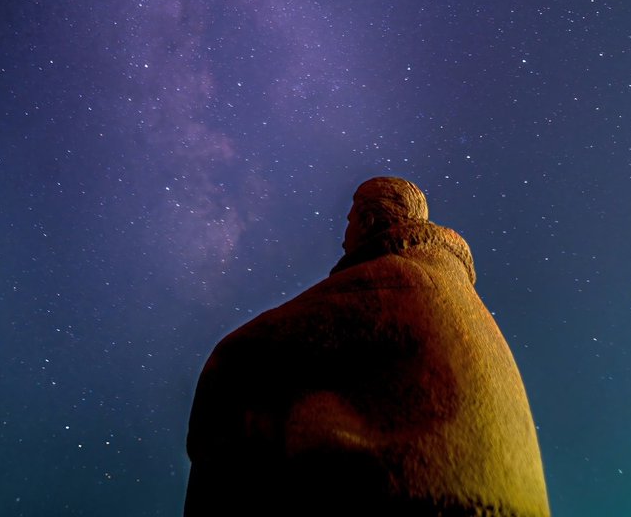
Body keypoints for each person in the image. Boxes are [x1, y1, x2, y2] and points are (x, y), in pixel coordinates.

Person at [184, 177, 551, 516]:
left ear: (371, 221)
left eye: (350, 221)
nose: (344, 238)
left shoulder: (400, 276)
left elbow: (237, 354)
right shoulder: (447, 284)